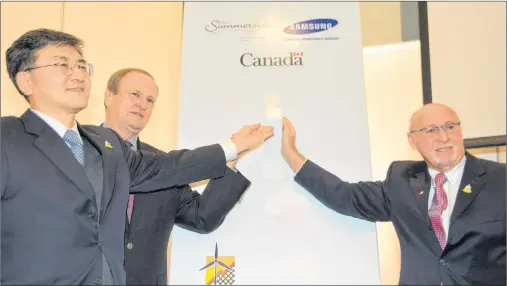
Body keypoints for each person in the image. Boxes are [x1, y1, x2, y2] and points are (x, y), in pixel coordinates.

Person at [1, 28, 273, 285]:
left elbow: (190, 200)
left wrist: (232, 149)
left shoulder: (111, 150)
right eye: (63, 65)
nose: (78, 75)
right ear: (26, 79)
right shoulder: (7, 139)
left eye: (82, 66)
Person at [281, 103, 505, 285]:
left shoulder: (500, 179)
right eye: (431, 130)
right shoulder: (402, 181)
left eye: (450, 127)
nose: (443, 137)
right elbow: (345, 196)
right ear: (412, 140)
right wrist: (292, 155)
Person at [101, 68, 251, 285]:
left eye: (150, 100)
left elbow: (202, 217)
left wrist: (230, 163)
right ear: (108, 96)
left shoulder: (165, 165)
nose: (142, 104)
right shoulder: (79, 147)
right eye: (135, 94)